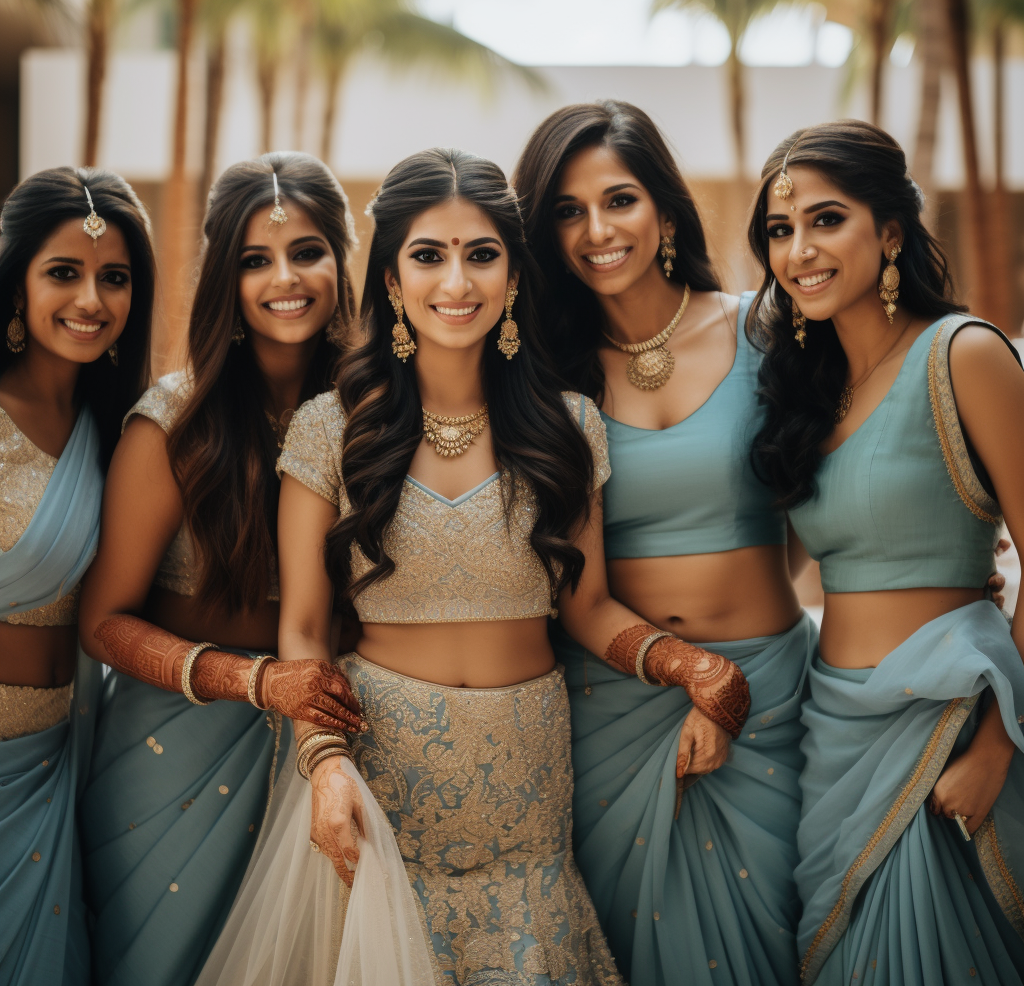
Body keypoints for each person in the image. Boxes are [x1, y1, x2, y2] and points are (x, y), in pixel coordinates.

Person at [197, 147, 751, 986]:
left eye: (481, 254)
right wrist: (325, 763)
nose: (457, 282)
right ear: (389, 278)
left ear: (515, 277)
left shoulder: (568, 426)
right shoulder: (329, 427)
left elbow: (588, 606)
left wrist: (689, 666)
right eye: (429, 255)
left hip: (527, 792)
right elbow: (305, 627)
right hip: (378, 774)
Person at [511, 99, 819, 986]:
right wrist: (690, 670)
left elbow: (825, 496)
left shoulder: (767, 327)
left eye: (620, 200)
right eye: (567, 211)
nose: (597, 230)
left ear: (666, 209)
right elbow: (577, 593)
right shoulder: (546, 374)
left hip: (769, 697)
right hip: (616, 707)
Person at [749, 119, 1024, 985]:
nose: (800, 251)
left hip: (947, 728)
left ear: (891, 231)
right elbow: (774, 570)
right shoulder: (806, 391)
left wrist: (994, 750)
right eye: (780, 232)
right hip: (831, 734)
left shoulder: (964, 355)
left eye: (827, 220)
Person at [77, 153, 363, 986]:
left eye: (307, 252)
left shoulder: (378, 414)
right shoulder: (174, 421)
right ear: (224, 278)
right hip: (171, 758)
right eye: (255, 259)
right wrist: (254, 682)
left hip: (329, 743)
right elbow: (103, 621)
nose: (285, 278)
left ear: (342, 261)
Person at [0, 167, 155, 985]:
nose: (91, 298)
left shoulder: (120, 432)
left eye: (114, 277)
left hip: (55, 761)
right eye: (63, 272)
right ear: (16, 281)